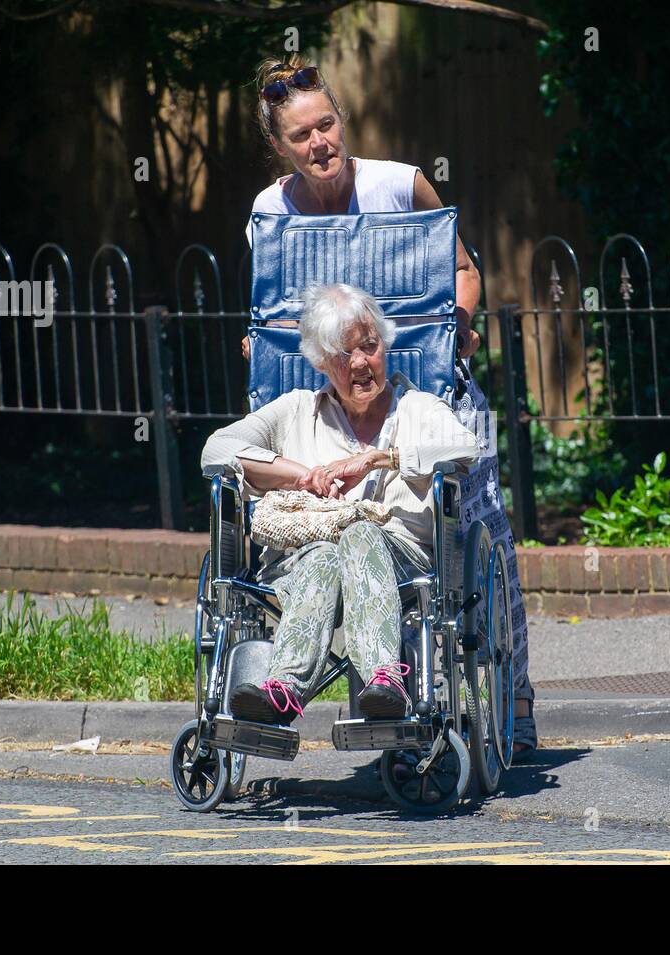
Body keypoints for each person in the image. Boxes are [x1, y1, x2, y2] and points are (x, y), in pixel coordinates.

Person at [242, 55, 539, 757]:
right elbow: (270, 313)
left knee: (487, 536)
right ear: (279, 146)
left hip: (422, 397)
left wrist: (458, 327)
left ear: (342, 118)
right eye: (301, 135)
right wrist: (253, 346)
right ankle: (341, 677)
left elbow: (464, 267)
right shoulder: (269, 213)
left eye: (327, 124)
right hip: (328, 410)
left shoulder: (398, 185)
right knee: (336, 539)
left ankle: (517, 702)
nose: (320, 143)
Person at [201, 284, 480, 724]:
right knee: (328, 554)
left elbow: (467, 448)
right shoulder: (295, 412)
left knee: (361, 533)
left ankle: (383, 682)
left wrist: (380, 458)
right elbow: (216, 450)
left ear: (384, 345)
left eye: (369, 347)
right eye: (342, 354)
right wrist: (299, 474)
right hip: (301, 566)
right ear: (321, 363)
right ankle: (283, 692)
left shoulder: (419, 410)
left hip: (403, 561)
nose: (360, 363)